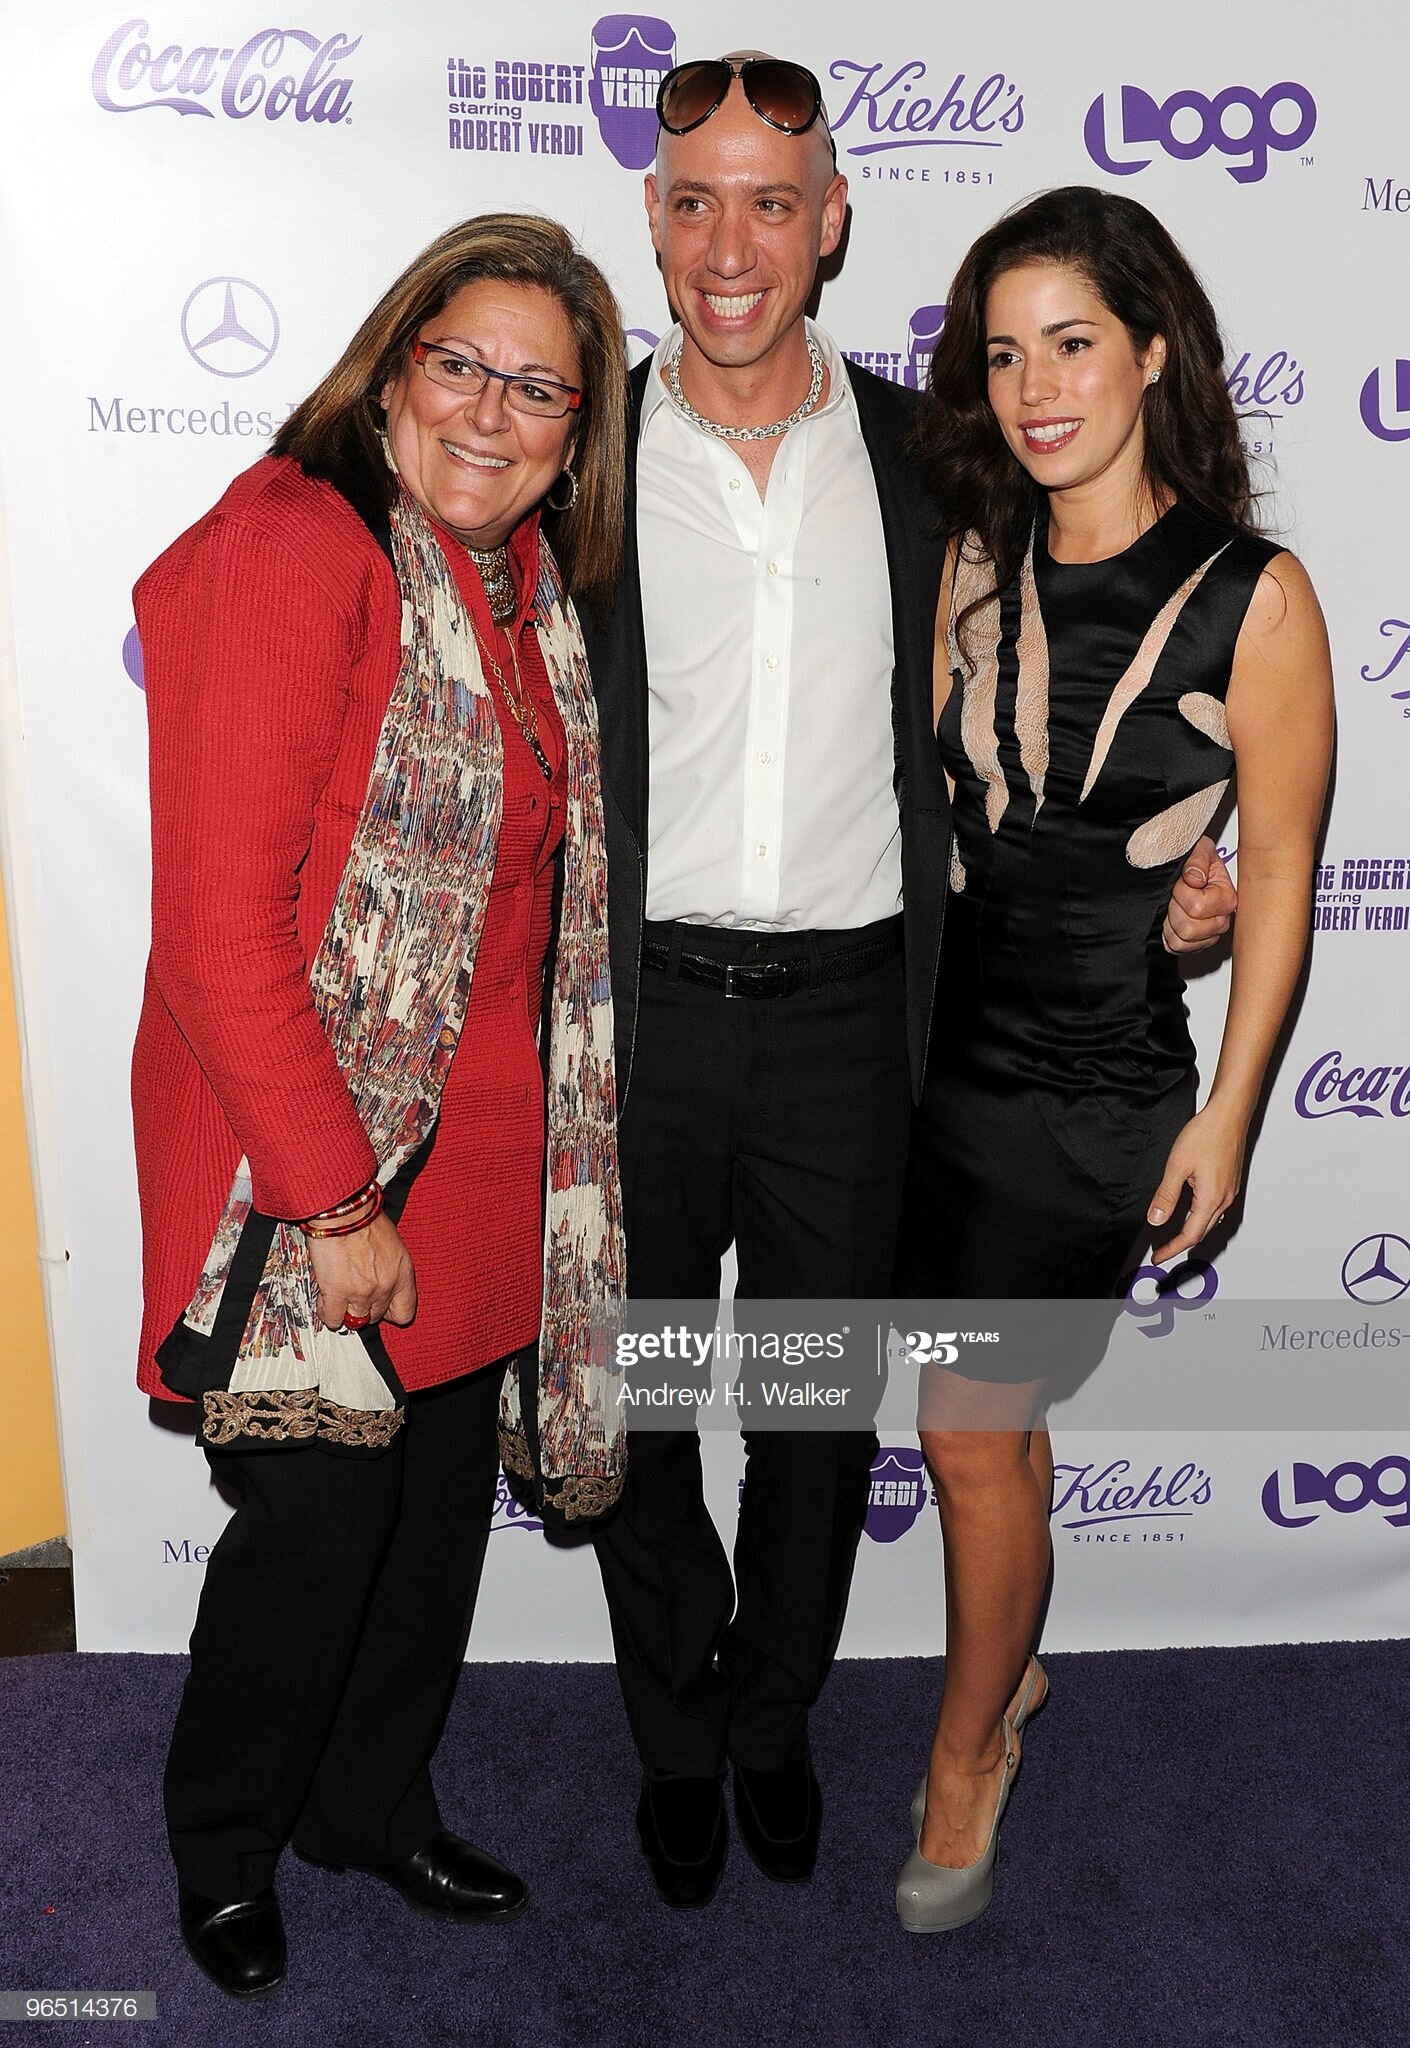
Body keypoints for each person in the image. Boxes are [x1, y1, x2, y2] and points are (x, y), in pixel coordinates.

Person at [581, 56, 1235, 1908]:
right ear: (651, 217)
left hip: (857, 1031)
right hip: (635, 1027)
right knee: (631, 1407)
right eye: (694, 198)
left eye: (771, 202)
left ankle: (774, 1724)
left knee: (803, 1412)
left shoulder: (928, 468)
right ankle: (674, 1731)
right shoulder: (586, 461)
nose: (731, 243)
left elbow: (1090, 675)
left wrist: (1182, 880)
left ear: (833, 219)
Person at [130, 214, 627, 1998]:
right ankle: (225, 1842)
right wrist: (339, 1204)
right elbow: (213, 935)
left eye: (540, 389)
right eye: (459, 366)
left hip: (491, 1144)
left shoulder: (522, 583)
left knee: (423, 1533)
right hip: (317, 1155)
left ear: (582, 434)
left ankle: (369, 1802)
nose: (491, 415)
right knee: (316, 1535)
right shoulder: (292, 547)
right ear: (389, 362)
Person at [892, 185, 1334, 1933]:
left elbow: (1286, 867)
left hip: (1086, 1085)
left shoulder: (1257, 596)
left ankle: (963, 1752)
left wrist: (1227, 1116)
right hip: (934, 1057)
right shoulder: (973, 555)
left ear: (1151, 349)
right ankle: (1012, 1674)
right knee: (979, 1441)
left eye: (1071, 341)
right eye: (1002, 353)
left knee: (962, 1428)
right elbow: (944, 823)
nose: (1033, 386)